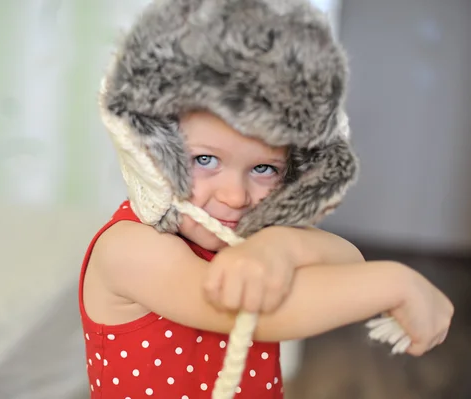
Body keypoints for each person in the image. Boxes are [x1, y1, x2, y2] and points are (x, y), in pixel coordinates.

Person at [79, 1, 454, 398]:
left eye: (264, 169)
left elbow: (347, 258)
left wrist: (279, 246)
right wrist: (395, 282)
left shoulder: (246, 239)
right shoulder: (129, 248)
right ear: (152, 152)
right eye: (205, 160)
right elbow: (253, 314)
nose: (236, 196)